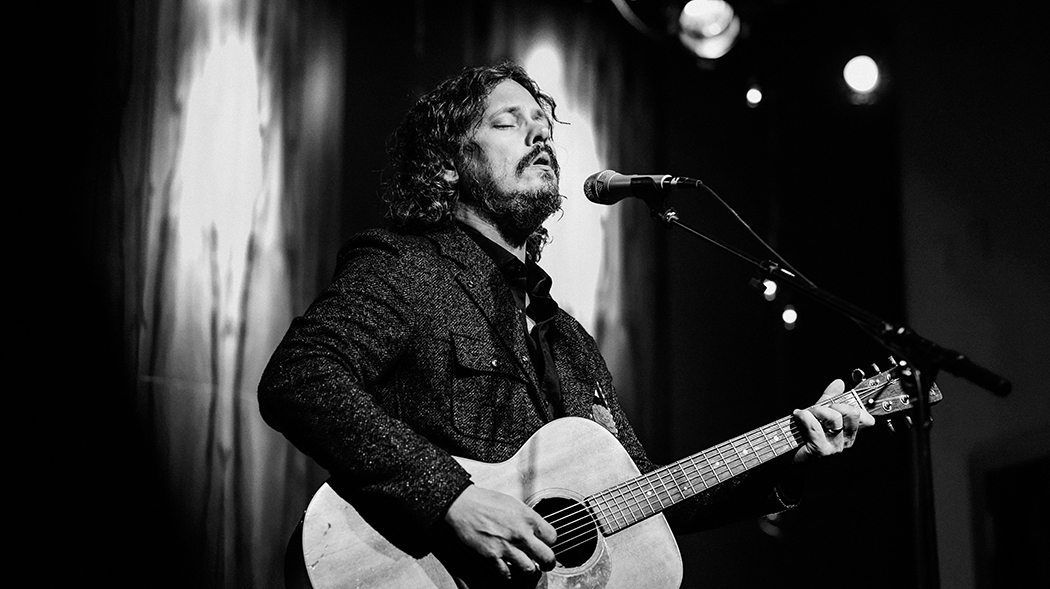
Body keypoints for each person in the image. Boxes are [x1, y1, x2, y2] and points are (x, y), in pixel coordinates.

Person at [258, 62, 872, 585]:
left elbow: (643, 499)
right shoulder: (408, 267)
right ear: (447, 166)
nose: (539, 138)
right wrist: (451, 498)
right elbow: (301, 376)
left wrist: (792, 456)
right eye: (508, 123)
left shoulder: (568, 340)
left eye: (545, 128)